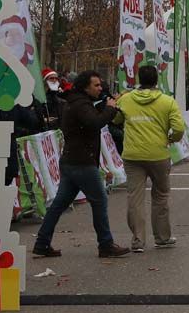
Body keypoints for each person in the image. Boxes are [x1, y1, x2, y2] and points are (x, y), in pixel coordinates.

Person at [32, 71, 130, 259]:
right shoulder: (79, 104)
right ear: (85, 87)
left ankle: (42, 242)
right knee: (99, 200)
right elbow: (94, 122)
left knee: (59, 204)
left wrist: (105, 106)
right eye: (96, 85)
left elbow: (91, 117)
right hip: (81, 162)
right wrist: (109, 109)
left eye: (100, 85)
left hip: (72, 161)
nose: (100, 88)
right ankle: (106, 244)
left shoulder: (77, 102)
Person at [116, 64, 185, 252]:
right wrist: (171, 139)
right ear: (156, 80)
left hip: (132, 154)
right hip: (158, 154)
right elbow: (179, 128)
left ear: (139, 79)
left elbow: (115, 120)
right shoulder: (167, 101)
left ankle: (138, 240)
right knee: (161, 195)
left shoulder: (125, 100)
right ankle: (162, 237)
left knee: (135, 197)